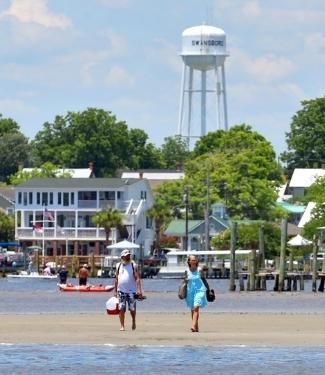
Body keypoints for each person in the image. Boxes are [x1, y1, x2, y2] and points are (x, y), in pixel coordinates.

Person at [114, 249, 143, 331]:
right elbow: (116, 278)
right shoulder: (118, 265)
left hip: (132, 291)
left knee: (132, 309)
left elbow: (137, 278)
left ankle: (133, 321)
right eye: (126, 255)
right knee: (121, 309)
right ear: (122, 256)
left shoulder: (133, 265)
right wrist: (115, 291)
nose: (128, 256)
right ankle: (122, 326)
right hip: (121, 291)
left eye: (129, 255)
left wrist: (139, 290)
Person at [185, 254, 210, 333]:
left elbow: (204, 280)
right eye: (192, 260)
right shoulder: (187, 271)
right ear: (189, 261)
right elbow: (184, 282)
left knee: (196, 307)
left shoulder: (199, 270)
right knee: (193, 309)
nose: (193, 261)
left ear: (197, 261)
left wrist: (208, 290)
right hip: (190, 292)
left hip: (200, 290)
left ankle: (193, 326)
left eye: (194, 260)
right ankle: (196, 327)